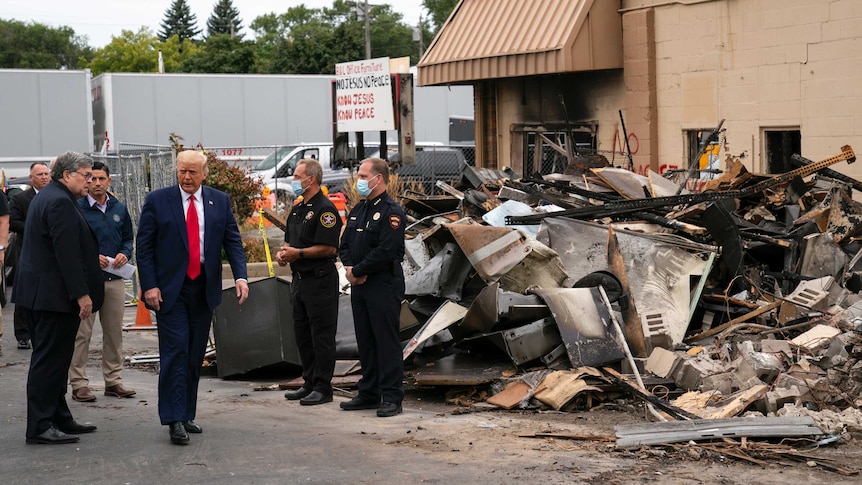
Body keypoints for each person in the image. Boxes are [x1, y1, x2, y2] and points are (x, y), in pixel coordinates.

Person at [136, 150, 249, 445]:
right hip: (170, 291)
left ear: (204, 174)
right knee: (175, 353)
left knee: (194, 355)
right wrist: (149, 285)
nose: (187, 177)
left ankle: (186, 413)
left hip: (203, 290)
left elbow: (232, 240)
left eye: (193, 172)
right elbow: (144, 247)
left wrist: (240, 276)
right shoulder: (158, 200)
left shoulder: (218, 201)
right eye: (182, 171)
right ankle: (173, 419)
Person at [15, 151, 104, 444]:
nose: (90, 181)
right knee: (48, 362)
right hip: (52, 297)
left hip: (44, 294)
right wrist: (82, 295)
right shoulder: (58, 201)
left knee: (56, 361)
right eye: (86, 176)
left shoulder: (54, 197)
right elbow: (66, 253)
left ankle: (59, 416)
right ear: (66, 175)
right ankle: (40, 426)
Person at [338, 158, 406, 418]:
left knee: (385, 341)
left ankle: (391, 396)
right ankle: (368, 392)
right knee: (365, 340)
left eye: (364, 175)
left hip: (383, 284)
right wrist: (350, 269)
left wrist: (359, 270)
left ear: (378, 178)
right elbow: (344, 244)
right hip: (359, 285)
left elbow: (387, 251)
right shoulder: (359, 209)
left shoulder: (391, 212)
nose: (360, 180)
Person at [276, 159, 342, 406]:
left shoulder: (325, 210)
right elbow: (291, 242)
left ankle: (324, 388)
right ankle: (310, 381)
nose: (294, 180)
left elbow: (328, 247)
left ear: (310, 179)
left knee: (321, 335)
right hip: (300, 281)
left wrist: (299, 254)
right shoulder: (297, 208)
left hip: (320, 280)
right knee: (302, 334)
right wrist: (285, 254)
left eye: (296, 176)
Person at [69, 161, 136, 403]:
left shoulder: (119, 207)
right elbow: (70, 242)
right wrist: (89, 257)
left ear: (109, 181)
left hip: (114, 279)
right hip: (87, 282)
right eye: (93, 179)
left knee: (114, 333)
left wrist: (124, 253)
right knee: (82, 334)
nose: (97, 183)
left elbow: (128, 237)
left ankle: (113, 381)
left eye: (101, 179)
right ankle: (79, 383)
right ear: (86, 180)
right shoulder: (77, 208)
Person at [8, 162, 51, 350]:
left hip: (49, 250)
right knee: (24, 291)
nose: (44, 177)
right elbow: (13, 222)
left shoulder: (55, 197)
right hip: (25, 248)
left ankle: (42, 331)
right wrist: (36, 230)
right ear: (31, 177)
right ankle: (23, 334)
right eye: (39, 174)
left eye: (46, 174)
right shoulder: (21, 199)